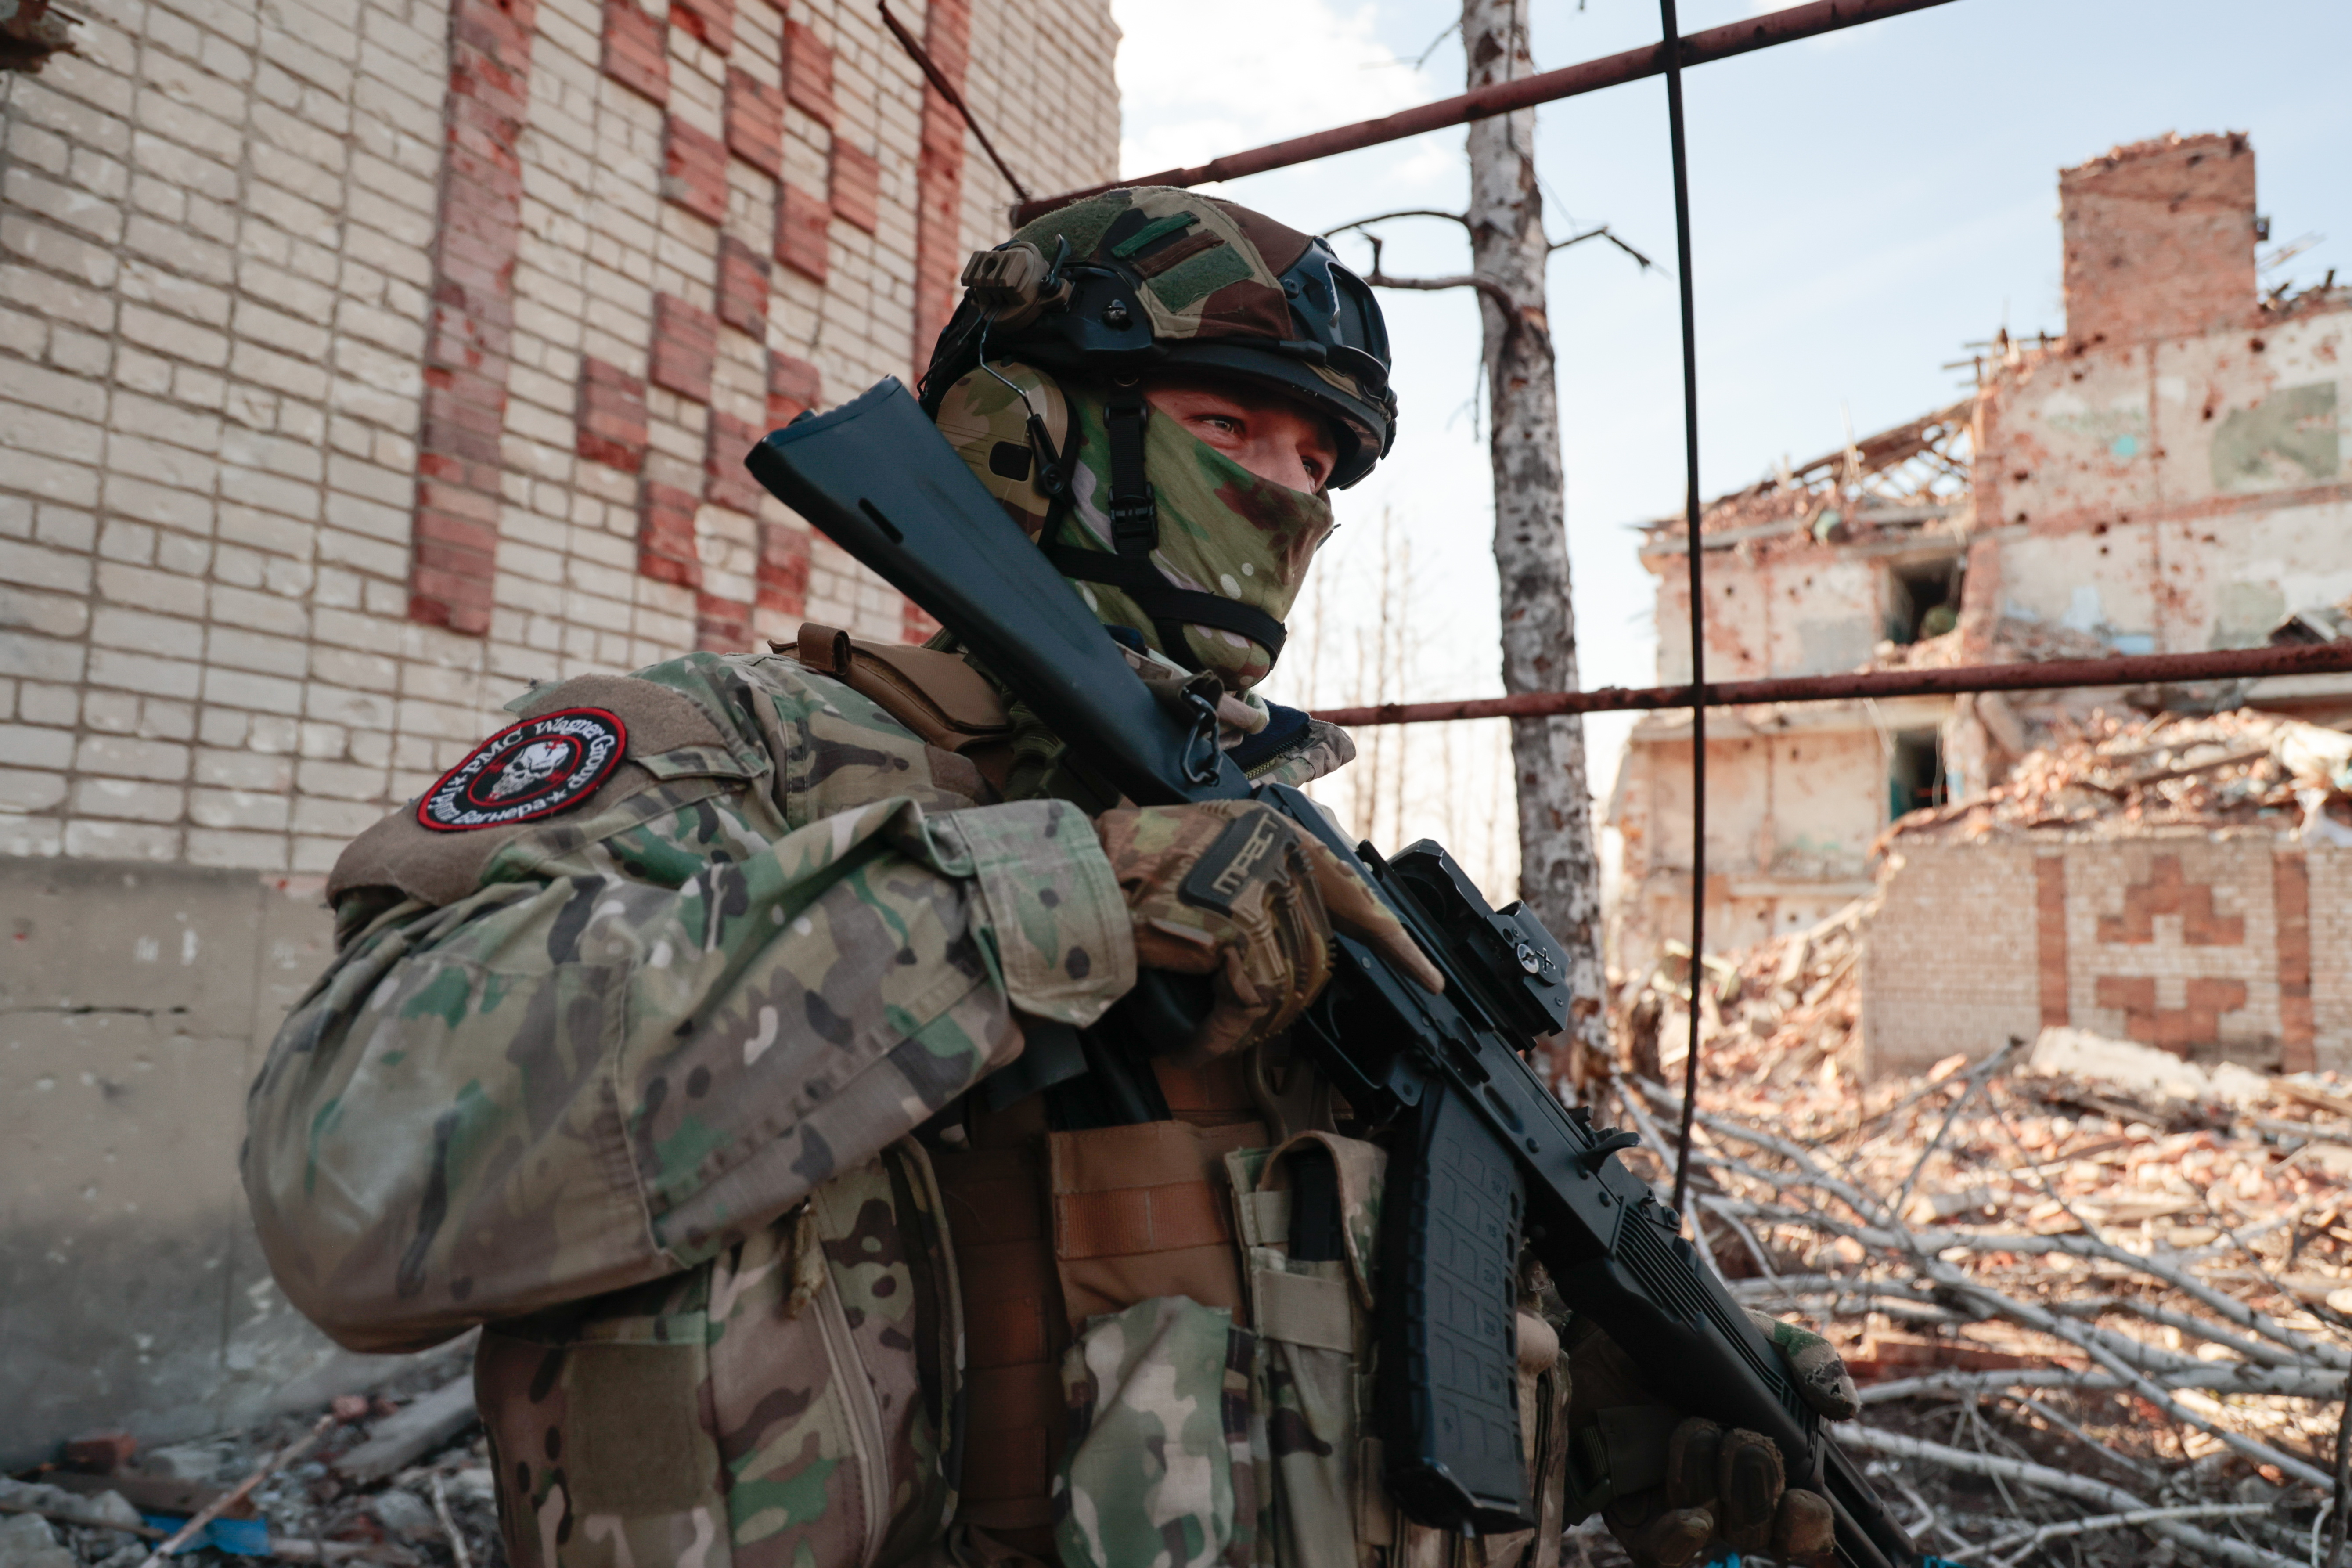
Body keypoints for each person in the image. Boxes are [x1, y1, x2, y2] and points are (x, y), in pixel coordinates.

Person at [242, 188, 1857, 1568]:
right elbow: (354, 1170)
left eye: (1321, 461)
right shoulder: (737, 754)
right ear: (1017, 439)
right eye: (1227, 425)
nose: (1287, 497)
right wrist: (1039, 902)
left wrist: (1609, 1410)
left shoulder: (1315, 886)